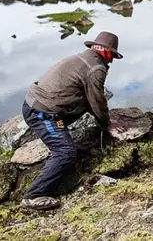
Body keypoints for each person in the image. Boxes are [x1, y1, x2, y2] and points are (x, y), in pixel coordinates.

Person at [20, 31, 124, 210]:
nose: (111, 61)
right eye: (112, 55)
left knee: (74, 122)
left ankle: (56, 138)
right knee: (66, 152)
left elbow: (90, 101)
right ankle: (34, 196)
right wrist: (107, 124)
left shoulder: (82, 59)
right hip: (42, 113)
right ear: (106, 52)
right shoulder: (96, 68)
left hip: (37, 105)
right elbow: (97, 101)